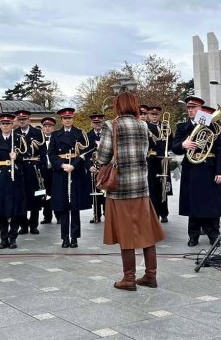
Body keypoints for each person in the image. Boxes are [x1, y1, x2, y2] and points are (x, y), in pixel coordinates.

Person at [95, 91, 166, 291]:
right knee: (147, 233)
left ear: (118, 106)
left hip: (120, 188)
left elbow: (103, 157)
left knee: (126, 234)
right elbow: (144, 153)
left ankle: (129, 278)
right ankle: (150, 276)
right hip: (141, 187)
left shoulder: (111, 125)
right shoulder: (143, 125)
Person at [172, 97, 221, 247]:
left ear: (201, 110)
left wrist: (220, 172)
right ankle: (193, 236)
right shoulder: (182, 127)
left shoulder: (213, 125)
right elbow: (174, 147)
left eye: (194, 108)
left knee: (211, 204)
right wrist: (183, 144)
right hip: (192, 169)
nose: (190, 110)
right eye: (189, 108)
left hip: (209, 168)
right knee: (193, 204)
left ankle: (214, 235)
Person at [48, 107, 91, 248]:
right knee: (63, 207)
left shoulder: (80, 133)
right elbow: (51, 154)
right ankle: (65, 238)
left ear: (73, 119)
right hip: (61, 173)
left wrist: (74, 165)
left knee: (74, 207)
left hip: (75, 171)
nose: (68, 120)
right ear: (61, 120)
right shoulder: (55, 135)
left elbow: (85, 152)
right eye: (65, 118)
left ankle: (75, 238)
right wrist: (62, 165)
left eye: (70, 118)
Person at [0, 113, 28, 249]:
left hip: (15, 178)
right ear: (0, 125)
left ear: (12, 124)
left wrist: (17, 156)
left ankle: (13, 237)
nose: (5, 126)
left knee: (15, 209)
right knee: (0, 209)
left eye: (8, 123)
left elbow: (27, 157)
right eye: (3, 124)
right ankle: (4, 238)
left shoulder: (19, 139)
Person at [14, 109, 45, 235]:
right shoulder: (14, 133)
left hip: (34, 168)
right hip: (20, 168)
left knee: (35, 197)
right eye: (20, 120)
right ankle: (24, 225)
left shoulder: (37, 133)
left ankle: (33, 225)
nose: (22, 121)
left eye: (24, 119)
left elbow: (43, 152)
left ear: (29, 120)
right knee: (21, 197)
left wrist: (42, 170)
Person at [146, 106, 172, 223]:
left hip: (164, 160)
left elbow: (171, 141)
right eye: (152, 114)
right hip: (152, 160)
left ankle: (164, 212)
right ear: (148, 115)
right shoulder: (146, 127)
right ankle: (155, 212)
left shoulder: (166, 126)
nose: (155, 116)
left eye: (156, 114)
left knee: (164, 187)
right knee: (153, 188)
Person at [86, 113, 106, 223]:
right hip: (94, 167)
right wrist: (89, 167)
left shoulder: (108, 135)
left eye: (99, 122)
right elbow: (84, 154)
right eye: (95, 122)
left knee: (107, 191)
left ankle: (107, 213)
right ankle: (96, 214)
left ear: (103, 122)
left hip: (106, 166)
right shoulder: (87, 136)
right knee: (95, 191)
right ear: (92, 123)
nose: (97, 124)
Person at [39, 117, 57, 224]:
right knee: (45, 193)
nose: (47, 128)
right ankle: (47, 216)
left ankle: (59, 215)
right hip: (44, 169)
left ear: (53, 128)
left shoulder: (57, 139)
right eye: (45, 126)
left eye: (49, 126)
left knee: (57, 192)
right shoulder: (40, 141)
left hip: (55, 169)